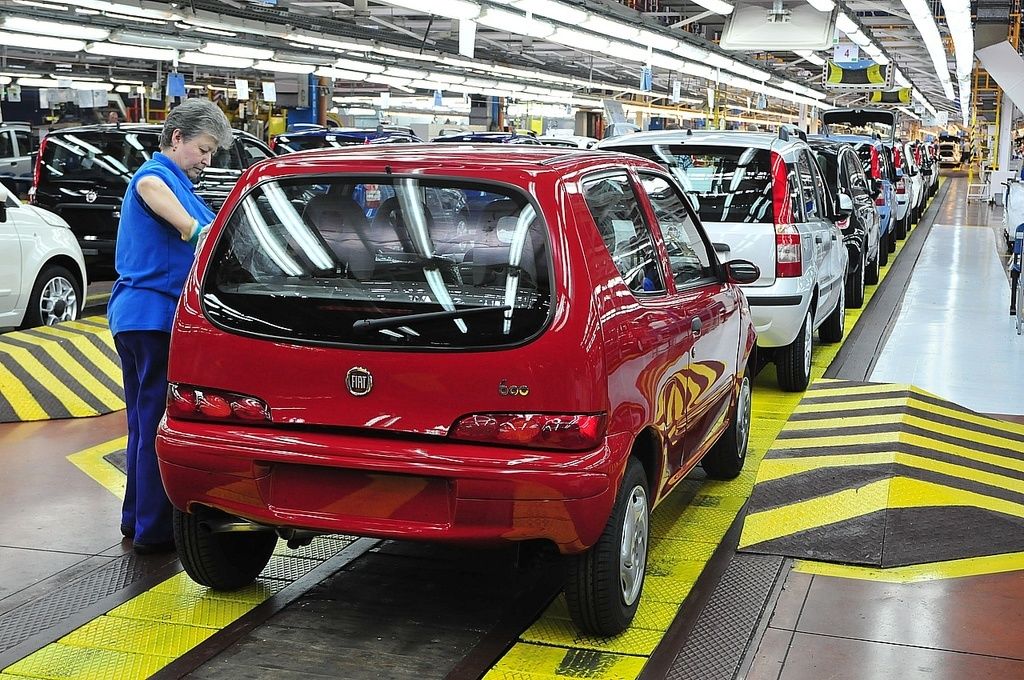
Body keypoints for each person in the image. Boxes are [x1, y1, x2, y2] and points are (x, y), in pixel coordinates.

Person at [107, 98, 233, 554]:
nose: (207, 160)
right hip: (152, 319)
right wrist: (197, 230)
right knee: (157, 426)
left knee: (143, 424)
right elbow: (157, 196)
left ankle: (136, 519)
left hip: (140, 319)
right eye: (204, 148)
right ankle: (154, 532)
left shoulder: (182, 182)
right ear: (176, 137)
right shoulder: (156, 176)